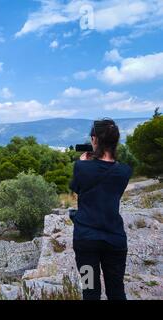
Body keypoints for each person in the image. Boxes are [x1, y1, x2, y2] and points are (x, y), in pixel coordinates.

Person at [70, 119, 132, 300]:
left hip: (85, 241)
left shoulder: (81, 167)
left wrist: (84, 162)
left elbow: (77, 191)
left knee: (89, 291)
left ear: (94, 140)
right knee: (117, 291)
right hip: (115, 240)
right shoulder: (125, 171)